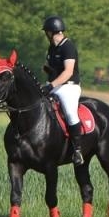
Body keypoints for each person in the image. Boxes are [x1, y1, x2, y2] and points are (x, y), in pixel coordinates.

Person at [42, 16, 83, 165]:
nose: (46, 35)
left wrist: (51, 85)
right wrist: (48, 70)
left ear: (50, 32)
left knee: (71, 113)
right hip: (54, 85)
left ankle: (77, 150)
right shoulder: (52, 48)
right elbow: (50, 66)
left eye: (47, 32)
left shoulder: (68, 46)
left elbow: (68, 72)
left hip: (69, 87)